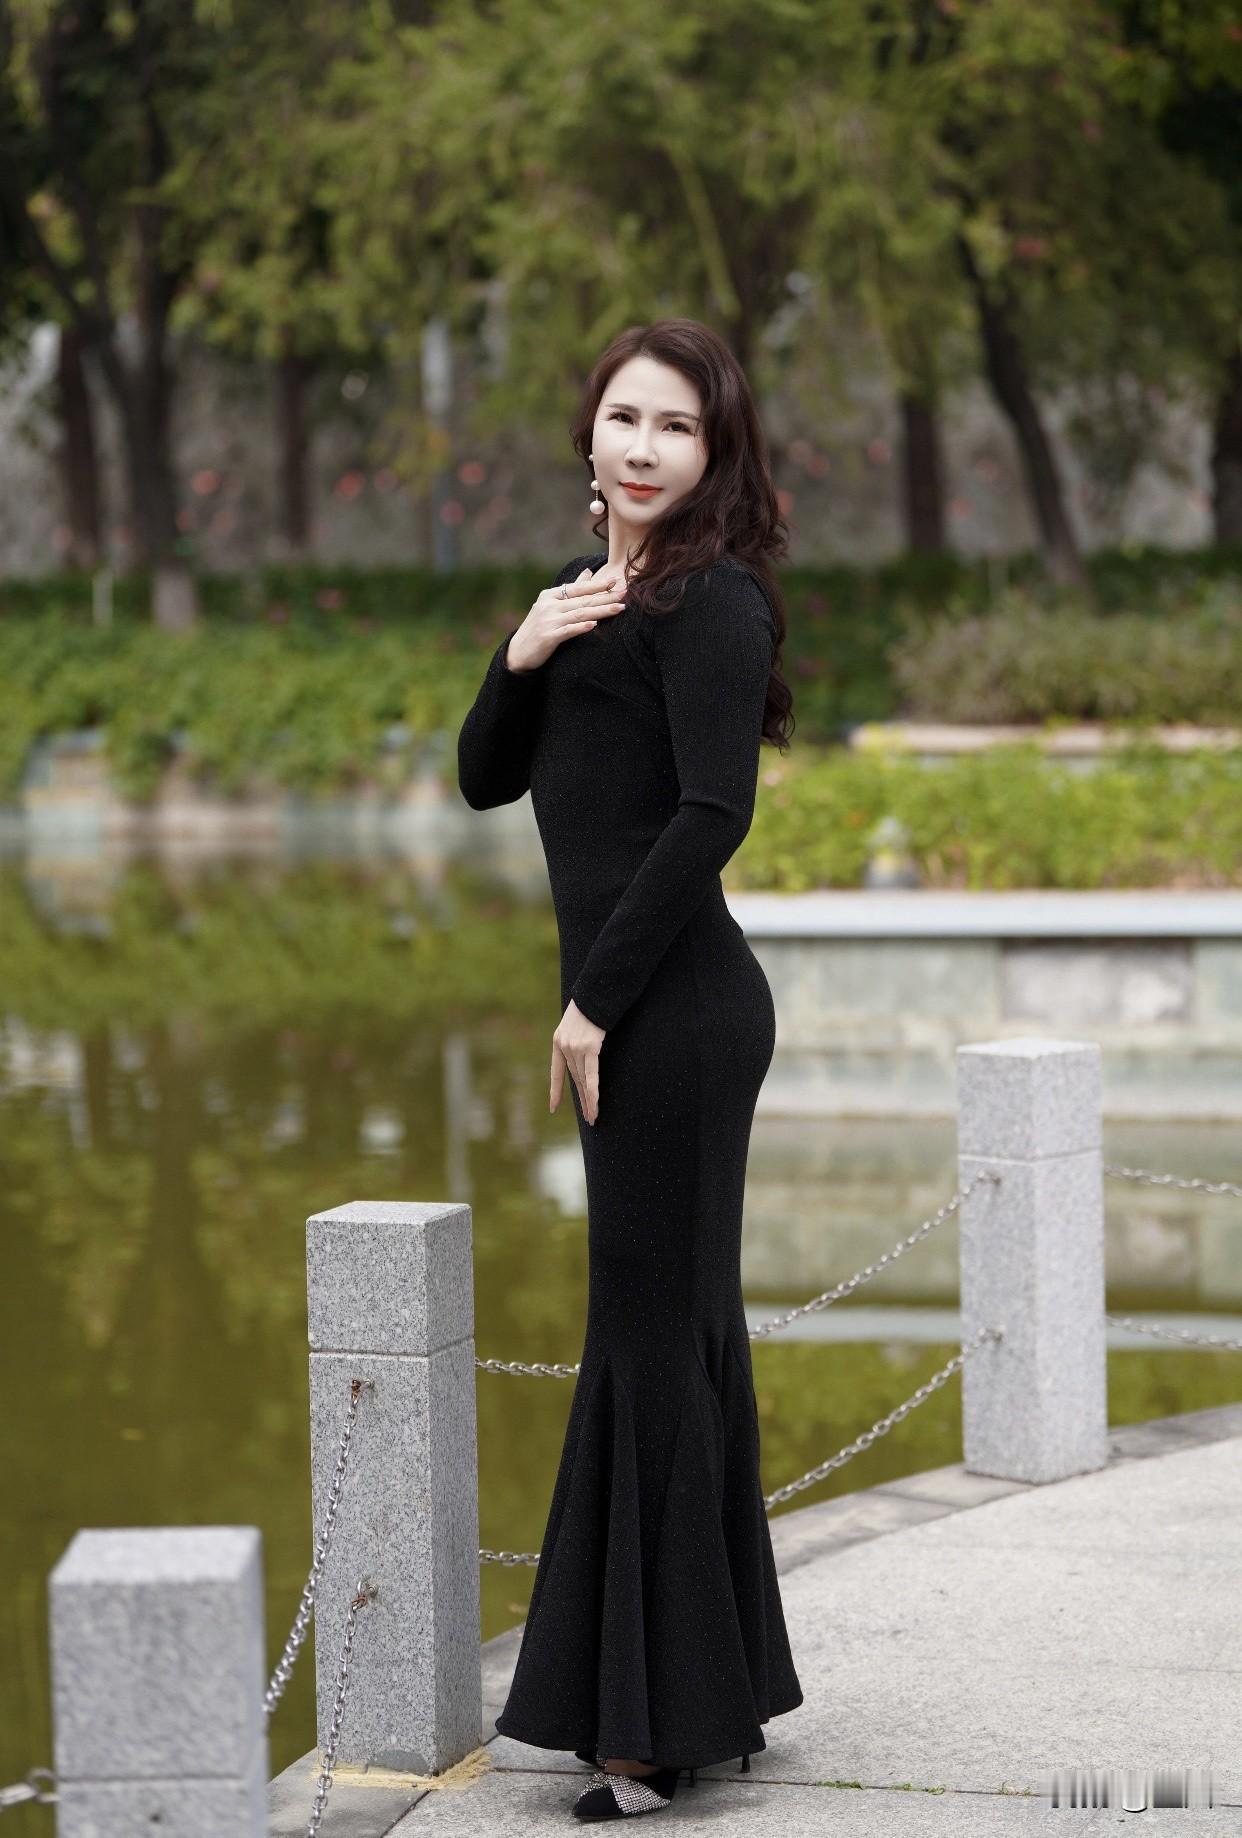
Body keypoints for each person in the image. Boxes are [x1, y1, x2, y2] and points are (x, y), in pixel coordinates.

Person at [457, 318, 803, 1822]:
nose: (645, 445)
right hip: (635, 1013)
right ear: (588, 437)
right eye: (623, 418)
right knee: (667, 1332)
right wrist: (521, 649)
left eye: (676, 424)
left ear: (714, 451)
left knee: (652, 1339)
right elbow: (483, 777)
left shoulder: (714, 601)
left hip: (677, 1013)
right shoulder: (586, 599)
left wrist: (591, 1002)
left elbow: (712, 812)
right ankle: (697, 1701)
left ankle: (649, 1736)